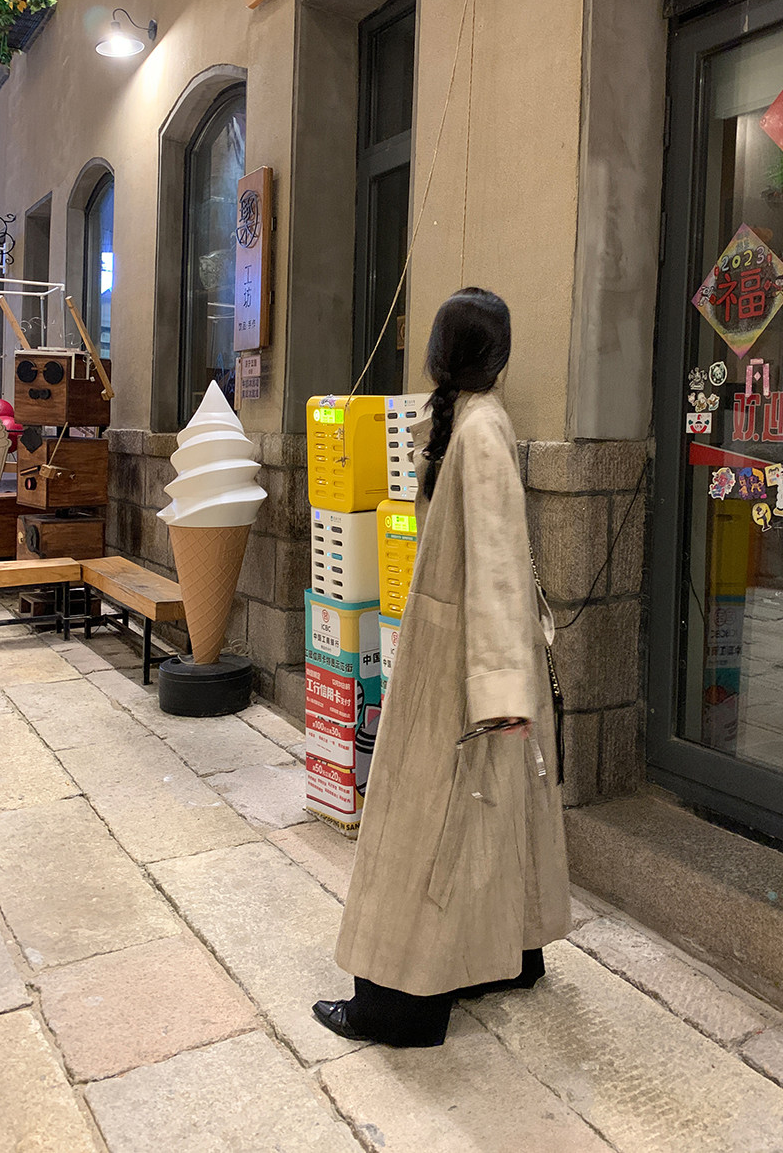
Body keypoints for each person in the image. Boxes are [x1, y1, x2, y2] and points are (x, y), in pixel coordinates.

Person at [313, 286, 571, 1047]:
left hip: (465, 670)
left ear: (438, 352)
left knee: (424, 828)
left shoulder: (478, 431)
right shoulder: (470, 420)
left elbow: (499, 568)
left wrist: (499, 691)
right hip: (462, 659)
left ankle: (400, 1004)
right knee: (485, 818)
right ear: (499, 356)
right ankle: (508, 955)